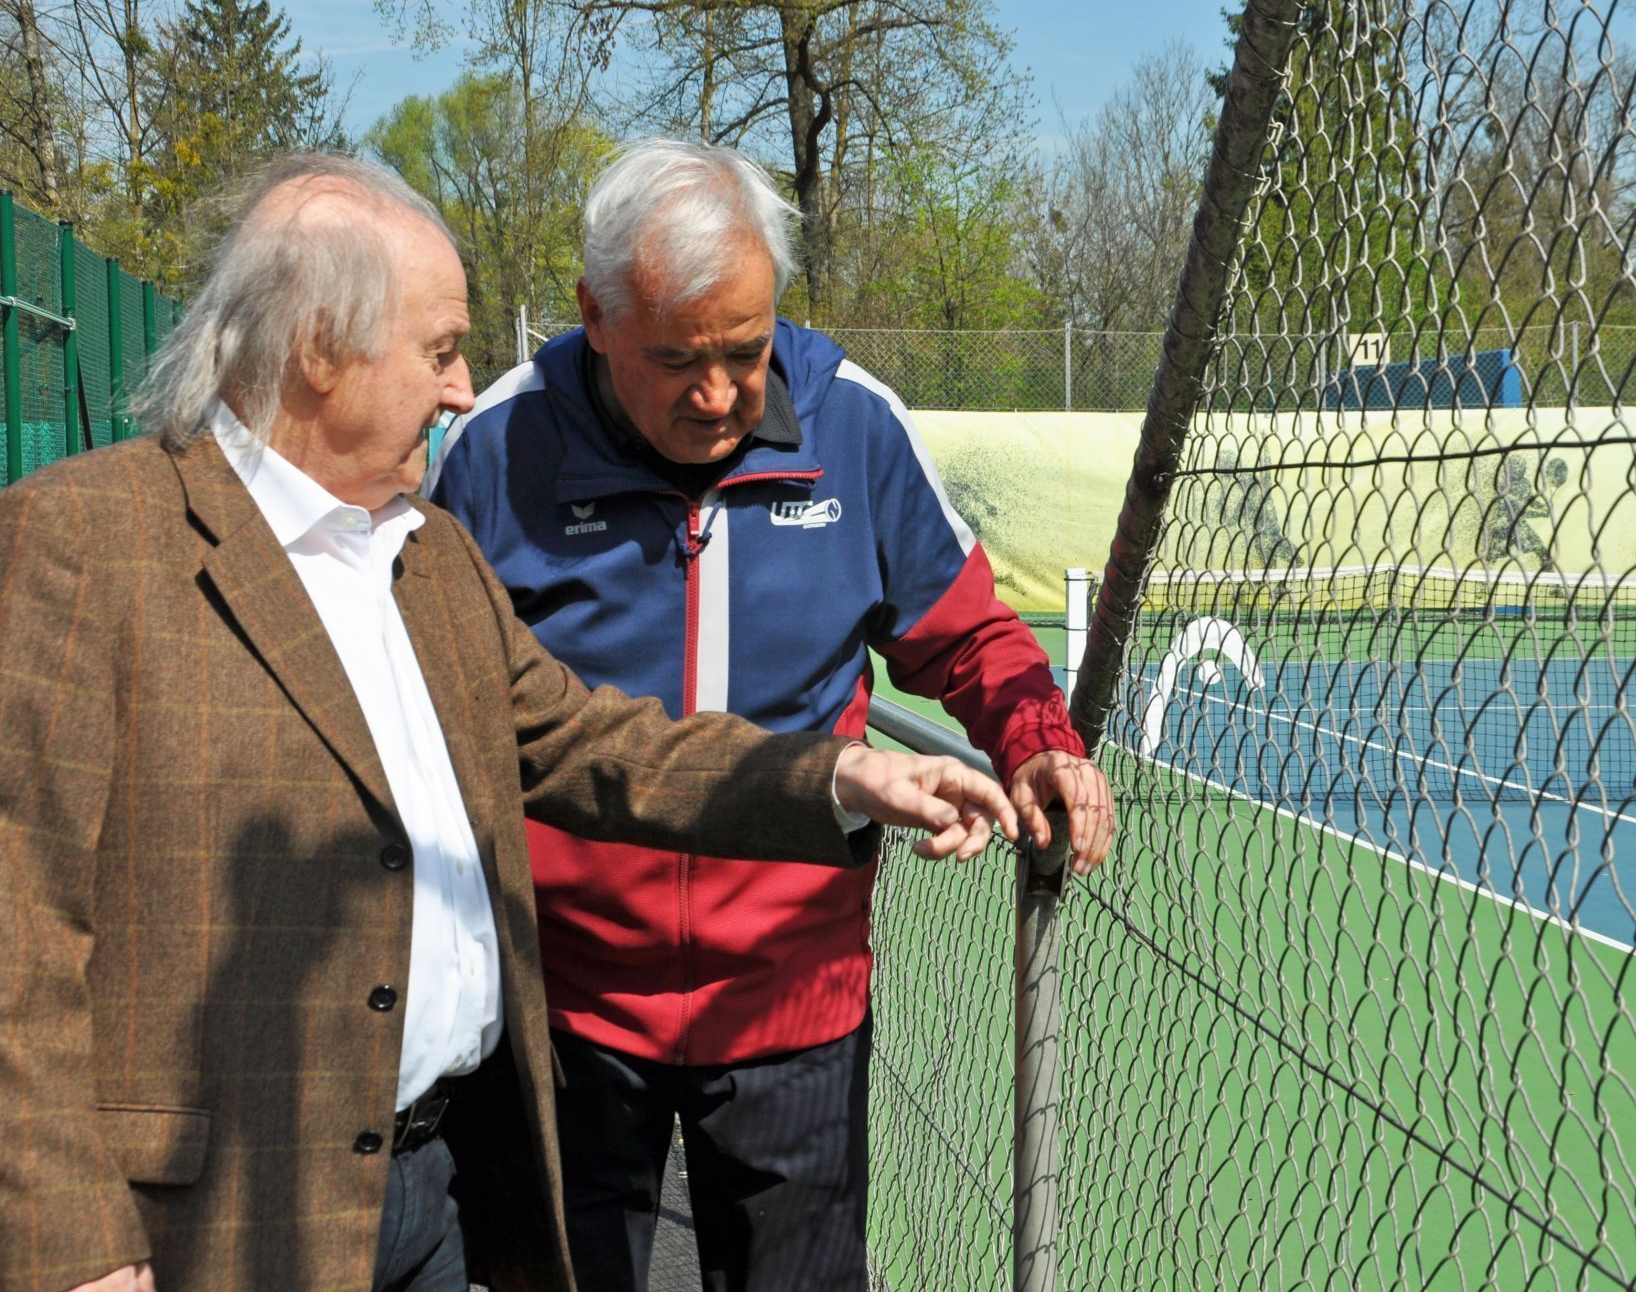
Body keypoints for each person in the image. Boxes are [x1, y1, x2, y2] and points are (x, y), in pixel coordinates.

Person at [0, 152, 1019, 1292]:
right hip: (234, 1211)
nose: (459, 385)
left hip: (436, 1188)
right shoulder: (81, 543)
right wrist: (74, 1247)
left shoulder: (423, 558)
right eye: (438, 349)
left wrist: (839, 780)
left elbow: (594, 744)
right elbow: (16, 927)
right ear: (319, 351)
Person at [429, 138, 1115, 1292]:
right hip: (560, 1008)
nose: (716, 394)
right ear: (593, 316)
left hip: (793, 999)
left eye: (744, 352)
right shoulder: (499, 446)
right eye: (676, 359)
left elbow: (971, 633)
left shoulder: (855, 427)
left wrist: (1036, 739)